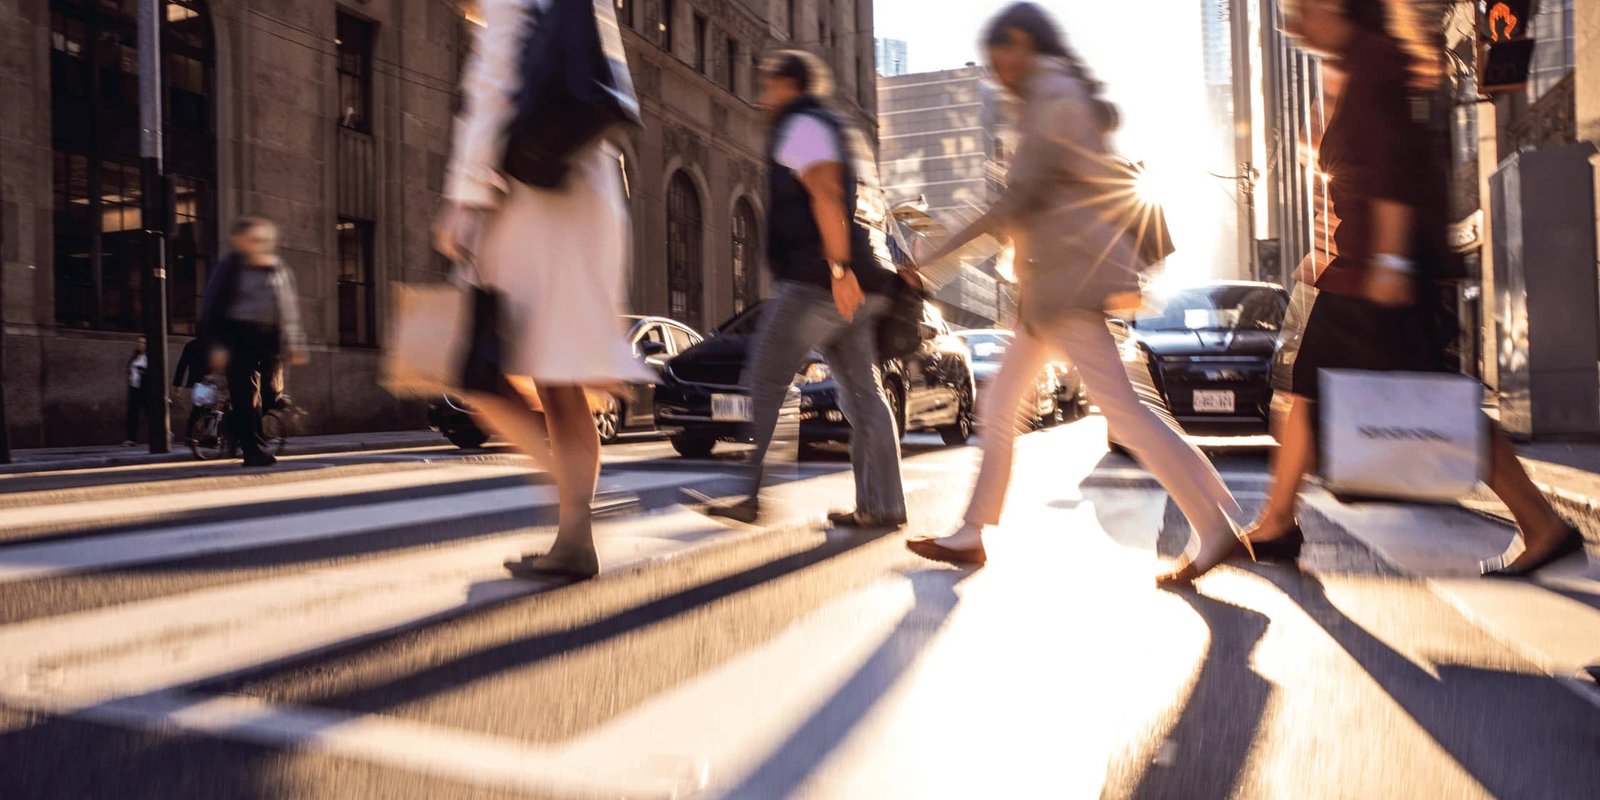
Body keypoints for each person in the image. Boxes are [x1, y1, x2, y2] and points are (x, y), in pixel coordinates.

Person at [1236, 0, 1582, 580]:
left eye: (1307, 9)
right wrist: (1325, 251)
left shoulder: (1375, 61)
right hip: (1365, 266)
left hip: (1382, 272)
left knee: (1348, 390)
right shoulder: (1353, 63)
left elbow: (1392, 169)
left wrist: (1391, 262)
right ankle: (1277, 520)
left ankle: (1277, 521)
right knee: (1320, 387)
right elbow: (1352, 179)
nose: (1295, 22)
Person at [903, 2, 1246, 586]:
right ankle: (972, 533)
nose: (995, 72)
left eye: (997, 59)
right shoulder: (1052, 96)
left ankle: (1215, 525)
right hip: (1053, 288)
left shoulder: (1052, 97)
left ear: (1021, 44)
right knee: (1006, 405)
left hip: (1067, 289)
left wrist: (930, 260)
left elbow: (1016, 203)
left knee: (1123, 414)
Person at [433, 0, 649, 580]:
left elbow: (494, 84)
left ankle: (574, 502)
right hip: (585, 187)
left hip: (534, 203)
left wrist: (464, 196)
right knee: (557, 382)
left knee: (477, 374)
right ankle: (575, 534)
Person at [705, 50, 908, 530]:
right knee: (864, 396)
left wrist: (838, 270)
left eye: (768, 83)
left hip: (818, 282)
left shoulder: (803, 123)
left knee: (766, 379)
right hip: (853, 281)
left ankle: (752, 496)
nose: (762, 92)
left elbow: (826, 192)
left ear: (788, 85)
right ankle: (882, 505)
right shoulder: (829, 123)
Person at [198, 217, 309, 468]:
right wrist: (216, 345)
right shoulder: (229, 267)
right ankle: (254, 451)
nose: (257, 244)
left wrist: (294, 341)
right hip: (238, 338)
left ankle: (238, 427)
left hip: (270, 340)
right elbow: (212, 306)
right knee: (247, 398)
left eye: (262, 240)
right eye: (252, 240)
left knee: (271, 396)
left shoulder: (277, 267)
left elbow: (288, 307)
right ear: (240, 241)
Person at [171, 336, 210, 443]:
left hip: (197, 382)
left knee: (200, 409)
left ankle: (192, 434)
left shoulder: (191, 346)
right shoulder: (212, 345)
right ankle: (203, 435)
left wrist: (177, 384)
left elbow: (182, 365)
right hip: (209, 382)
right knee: (204, 409)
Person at [123, 337, 148, 446]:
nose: (140, 345)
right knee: (132, 413)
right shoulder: (135, 358)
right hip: (134, 387)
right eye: (138, 342)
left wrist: (144, 372)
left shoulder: (149, 357)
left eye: (142, 343)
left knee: (150, 413)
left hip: (145, 388)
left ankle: (164, 433)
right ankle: (131, 439)